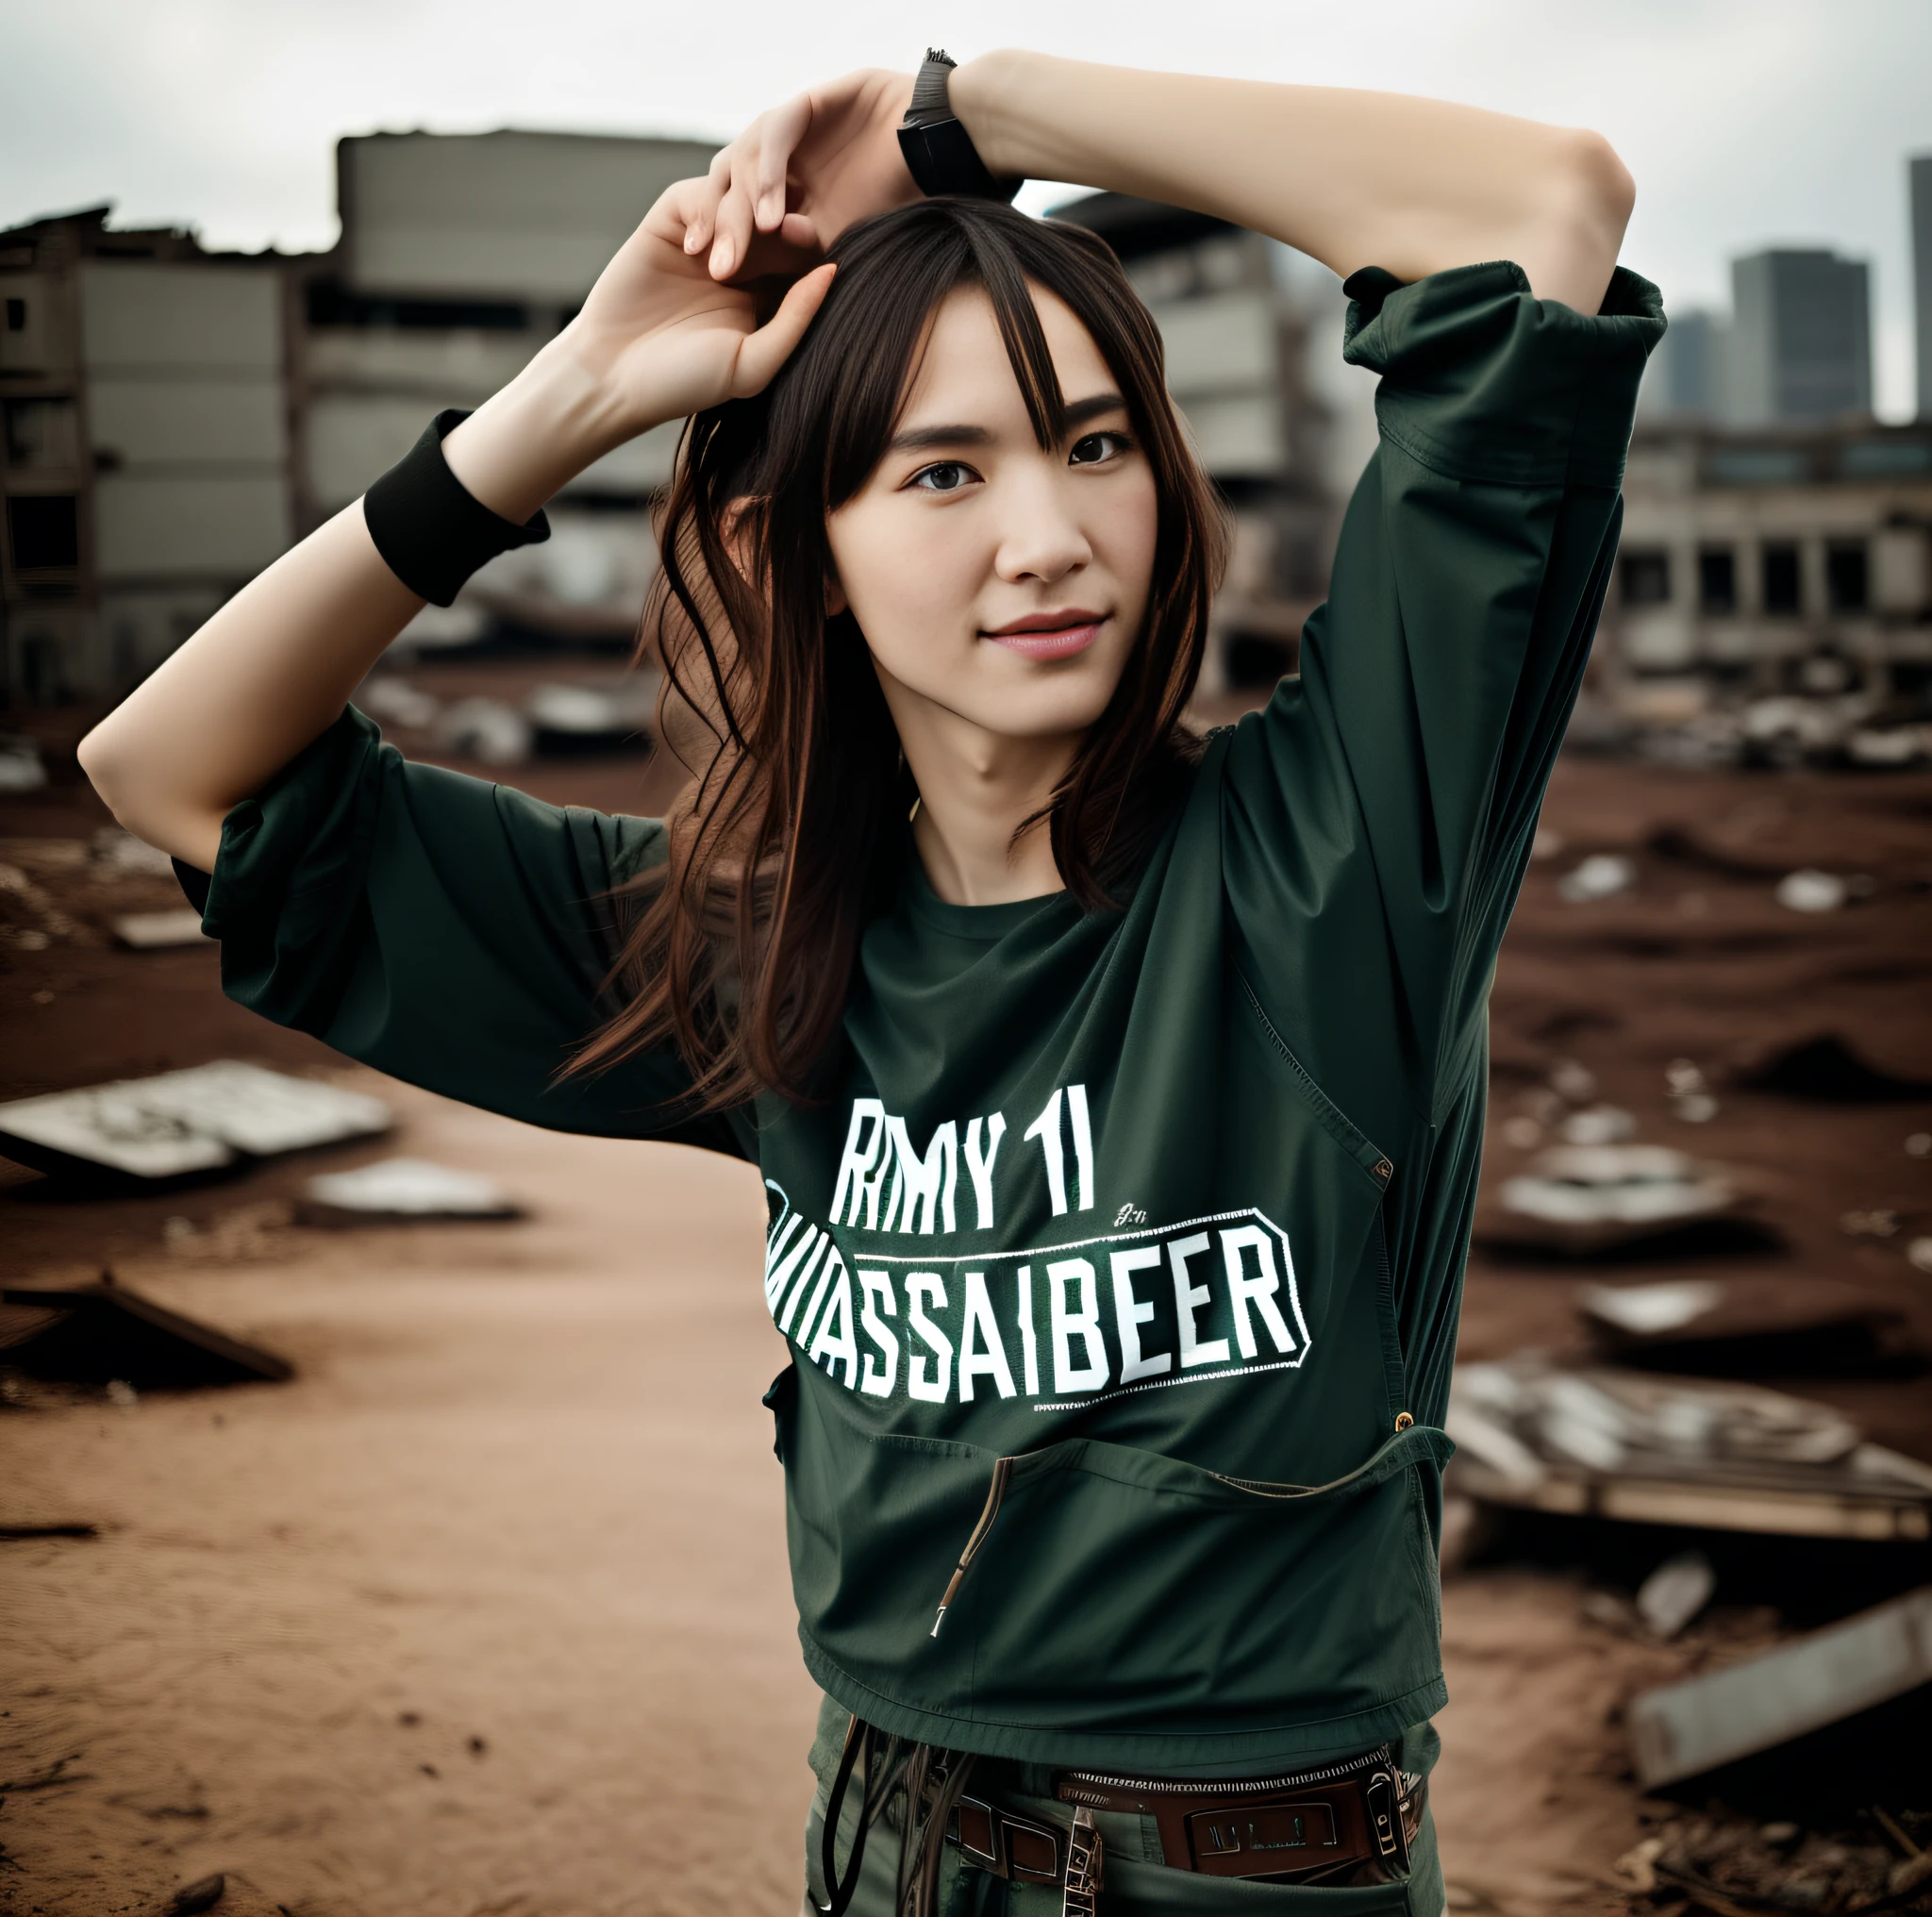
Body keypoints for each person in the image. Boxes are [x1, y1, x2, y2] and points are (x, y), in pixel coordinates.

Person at [79, 48, 1656, 1917]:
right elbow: (173, 767)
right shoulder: (751, 943)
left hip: (1229, 1867)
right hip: (877, 1832)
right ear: (795, 553)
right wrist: (572, 394)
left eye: (1091, 444)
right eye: (942, 469)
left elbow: (1539, 203)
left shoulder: (1325, 865)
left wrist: (968, 121)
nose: (1050, 535)